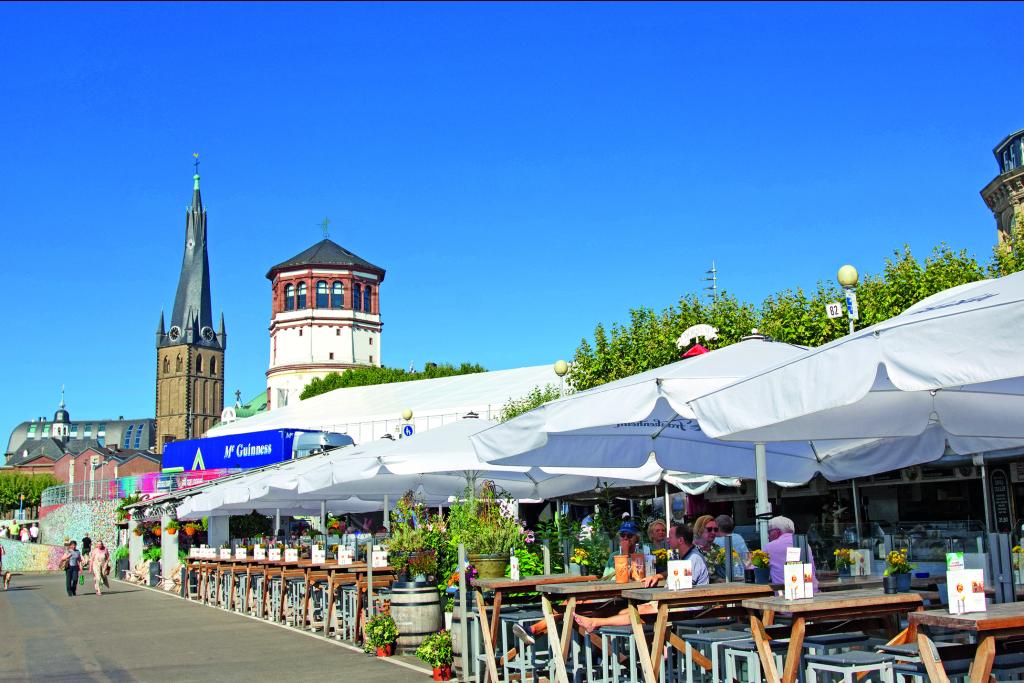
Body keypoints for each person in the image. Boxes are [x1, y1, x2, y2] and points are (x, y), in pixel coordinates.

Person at [572, 525, 710, 634]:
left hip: (686, 607)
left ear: (680, 540)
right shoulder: (685, 556)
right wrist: (659, 576)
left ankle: (595, 623)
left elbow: (684, 589)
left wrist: (658, 600)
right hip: (674, 603)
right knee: (622, 611)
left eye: (671, 537)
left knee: (636, 613)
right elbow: (677, 576)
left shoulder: (693, 559)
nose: (667, 539)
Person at [764, 515, 818, 593]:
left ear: (777, 532)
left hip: (784, 595)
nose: (768, 536)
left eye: (769, 532)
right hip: (812, 592)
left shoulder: (770, 547)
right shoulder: (804, 544)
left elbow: (758, 571)